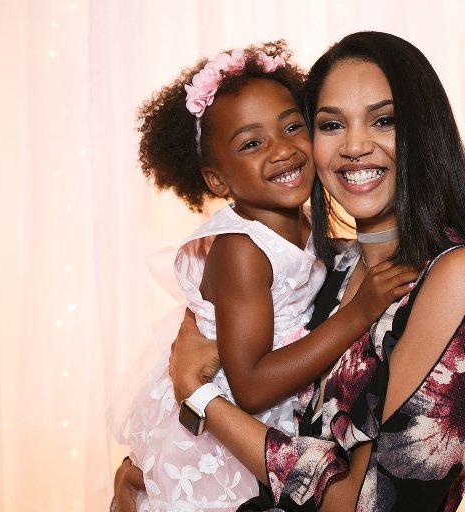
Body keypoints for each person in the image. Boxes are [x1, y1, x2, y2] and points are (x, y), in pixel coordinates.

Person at [161, 31, 465, 511]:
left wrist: (199, 398)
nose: (354, 146)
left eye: (384, 120)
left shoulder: (460, 276)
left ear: (424, 130)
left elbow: (368, 503)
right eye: (331, 125)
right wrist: (148, 468)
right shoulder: (332, 265)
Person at [119, 41, 417, 512]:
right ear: (218, 182)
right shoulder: (241, 250)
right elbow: (251, 386)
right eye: (252, 143)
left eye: (292, 127)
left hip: (266, 419)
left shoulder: (303, 223)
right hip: (217, 429)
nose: (282, 150)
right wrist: (359, 314)